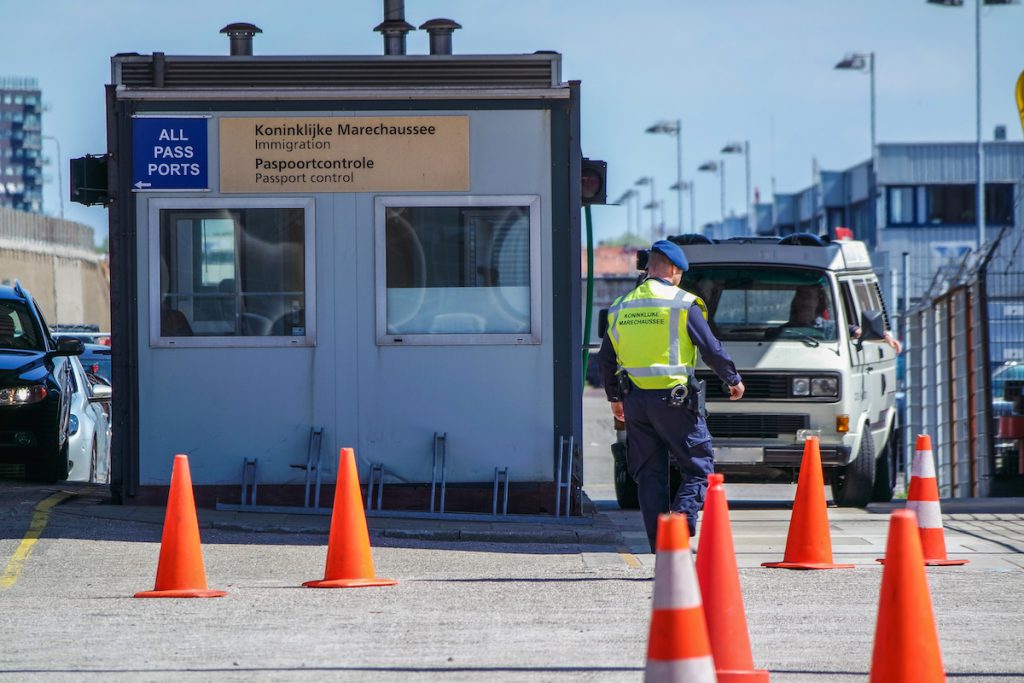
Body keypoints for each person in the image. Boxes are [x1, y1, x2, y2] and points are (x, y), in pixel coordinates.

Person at [597, 240, 744, 551]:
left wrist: (614, 399)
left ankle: (661, 547)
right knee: (698, 466)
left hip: (636, 401)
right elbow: (710, 347)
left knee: (649, 476)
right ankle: (679, 522)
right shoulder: (682, 304)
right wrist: (732, 378)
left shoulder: (622, 306)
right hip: (675, 402)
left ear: (648, 268)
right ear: (675, 270)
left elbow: (606, 358)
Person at [784, 285, 902, 352]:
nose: (803, 301)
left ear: (819, 302)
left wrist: (884, 336)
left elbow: (861, 332)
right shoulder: (779, 332)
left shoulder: (831, 328)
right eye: (799, 296)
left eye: (808, 296)